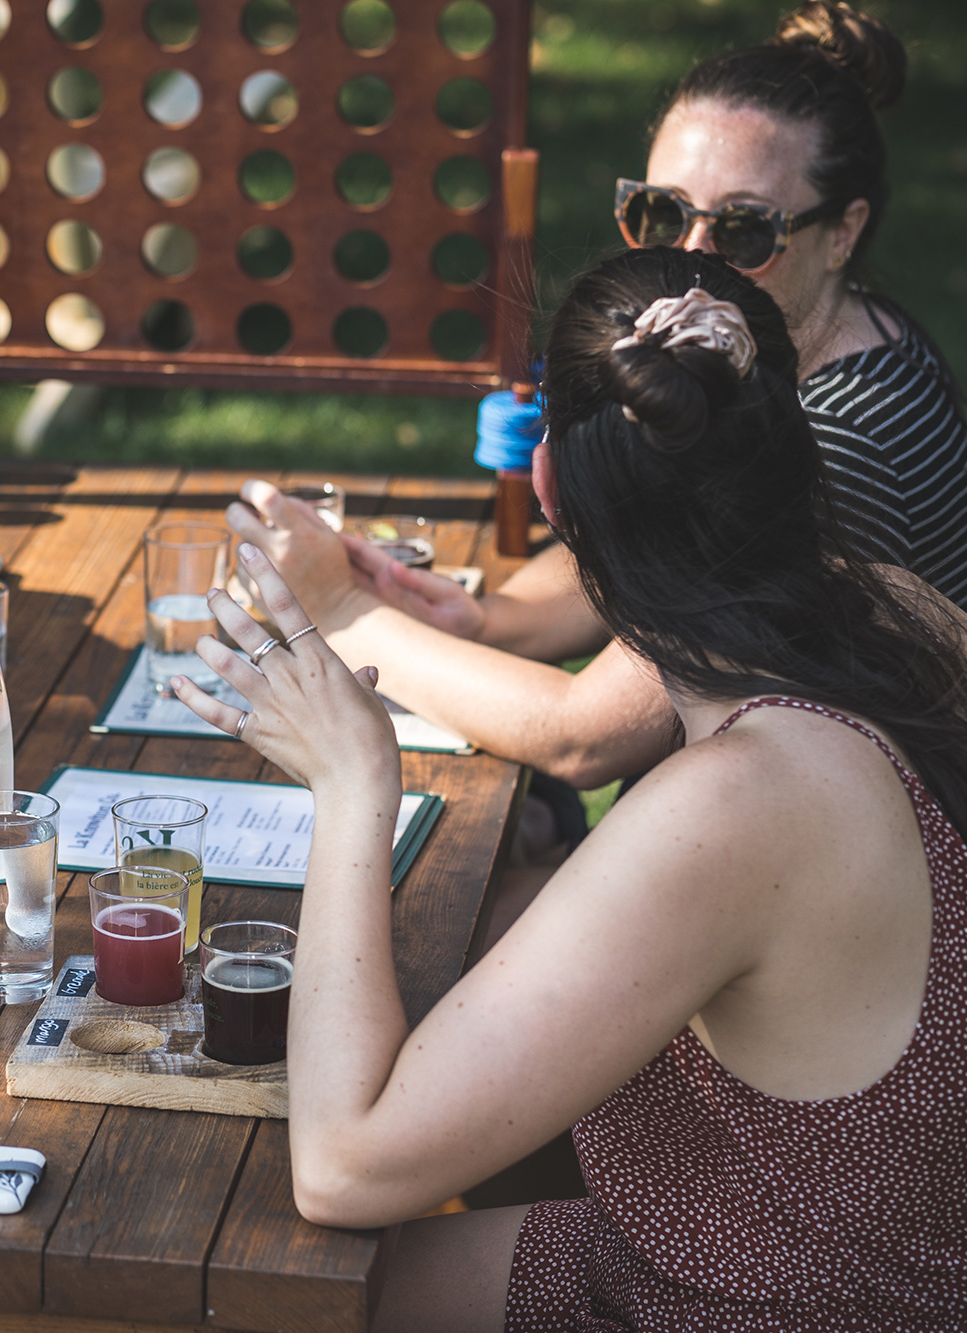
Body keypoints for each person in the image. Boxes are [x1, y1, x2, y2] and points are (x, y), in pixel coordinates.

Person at [174, 246, 967, 1329]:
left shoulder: (733, 806)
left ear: (545, 483)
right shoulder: (887, 611)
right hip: (822, 1235)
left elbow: (345, 1167)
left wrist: (353, 782)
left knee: (236, 1283)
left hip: (782, 1295)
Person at [233, 2, 967, 805]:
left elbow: (584, 734)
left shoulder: (831, 444)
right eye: (664, 215)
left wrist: (335, 608)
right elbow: (678, 535)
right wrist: (485, 620)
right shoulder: (832, 344)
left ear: (843, 231)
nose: (690, 258)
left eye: (746, 231)